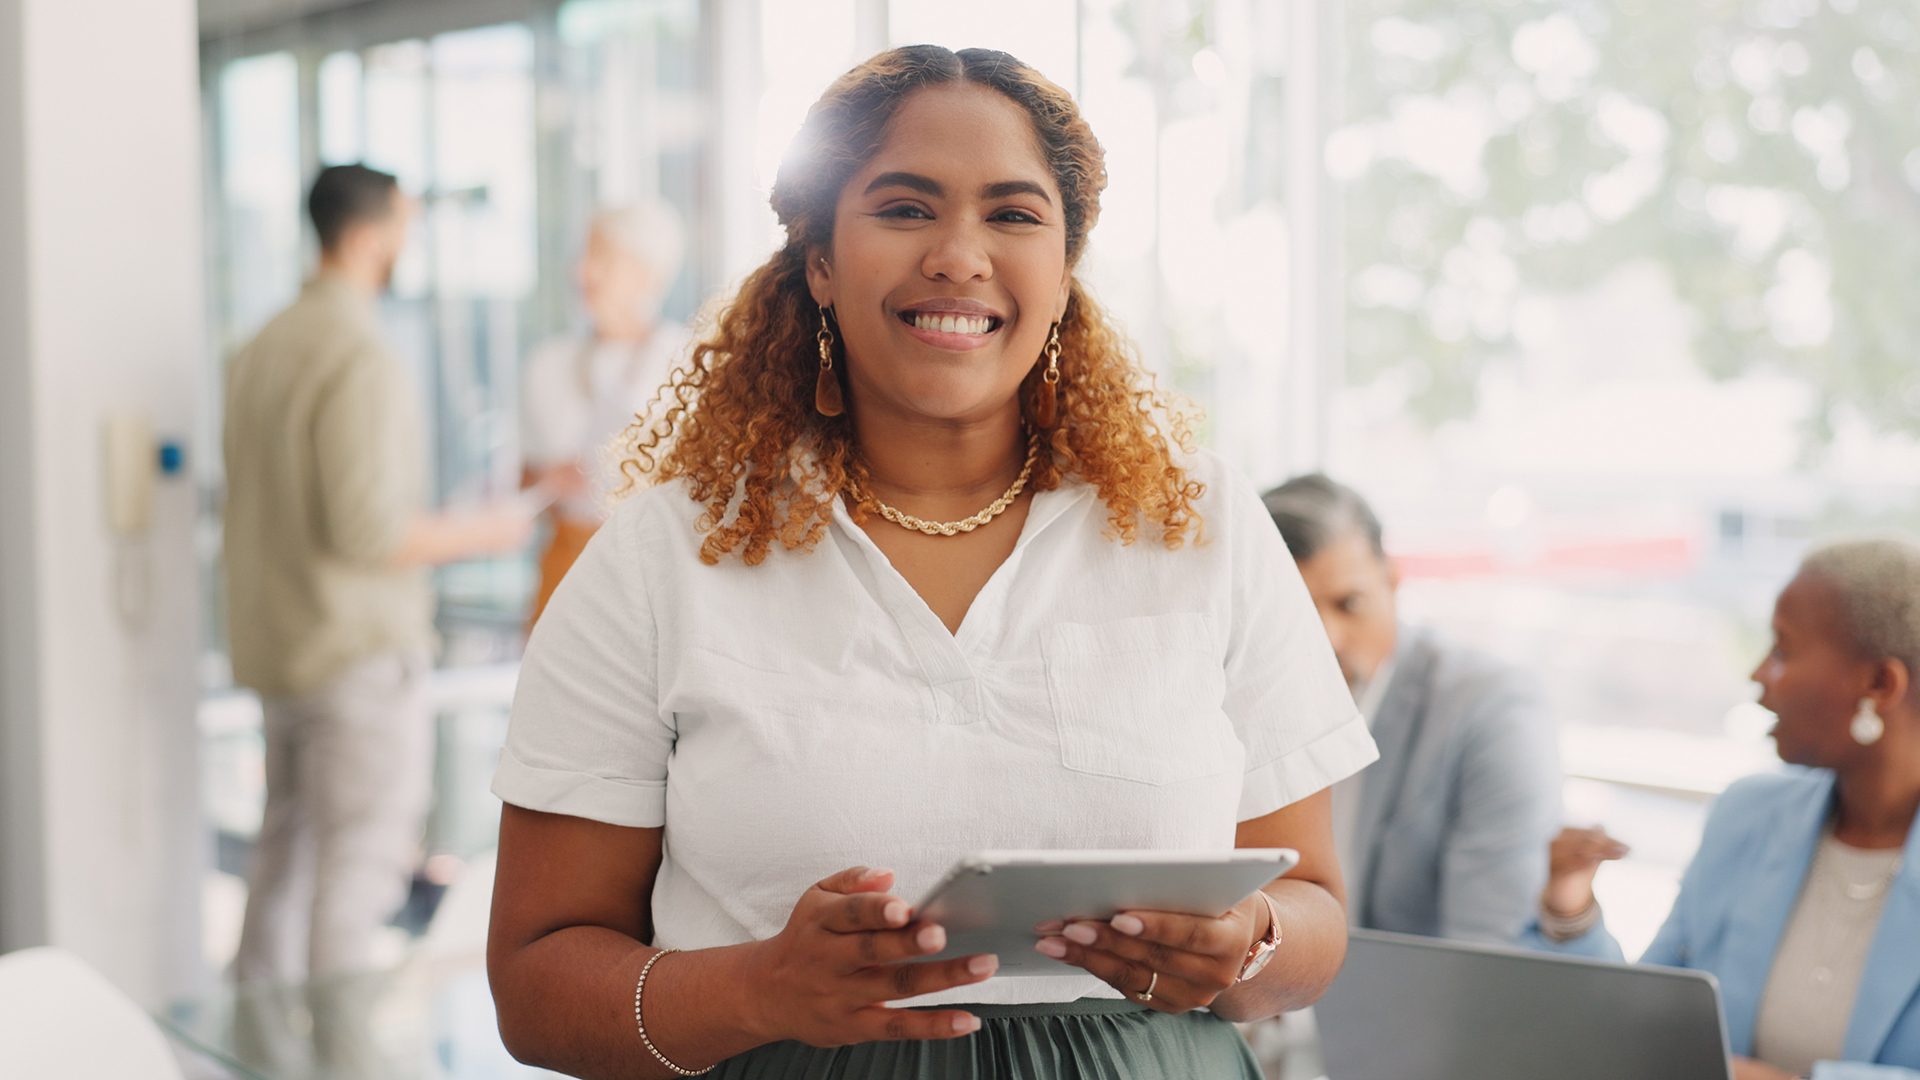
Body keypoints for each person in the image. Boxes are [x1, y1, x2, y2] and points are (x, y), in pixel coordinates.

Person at [485, 46, 1378, 1079]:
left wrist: (1248, 943)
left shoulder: (1199, 521)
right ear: (819, 259)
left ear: (1064, 266)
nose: (960, 255)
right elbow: (535, 982)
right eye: (905, 208)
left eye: (1013, 214)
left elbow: (1314, 915)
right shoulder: (661, 554)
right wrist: (757, 989)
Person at [223, 164, 534, 1070]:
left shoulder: (261, 345)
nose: (408, 246)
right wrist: (493, 529)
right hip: (352, 654)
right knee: (352, 875)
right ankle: (344, 1064)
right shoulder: (354, 351)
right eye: (403, 226)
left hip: (281, 649)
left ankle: (262, 1058)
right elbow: (366, 530)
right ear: (369, 235)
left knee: (284, 863)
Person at [1532, 538, 1920, 1080]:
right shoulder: (1748, 817)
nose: (1759, 674)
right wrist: (1572, 911)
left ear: (1879, 684)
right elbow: (1643, 1027)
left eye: (1783, 650)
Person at [1260, 474, 1562, 945]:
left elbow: (1483, 960)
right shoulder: (1231, 706)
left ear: (1393, 580)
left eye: (1349, 604)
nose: (1326, 640)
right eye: (1294, 613)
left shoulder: (1491, 710)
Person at [520, 201, 692, 623]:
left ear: (647, 274)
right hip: (566, 564)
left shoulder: (691, 362)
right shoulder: (547, 363)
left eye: (602, 258)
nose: (583, 273)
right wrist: (549, 481)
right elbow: (521, 485)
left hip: (658, 574)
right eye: (583, 256)